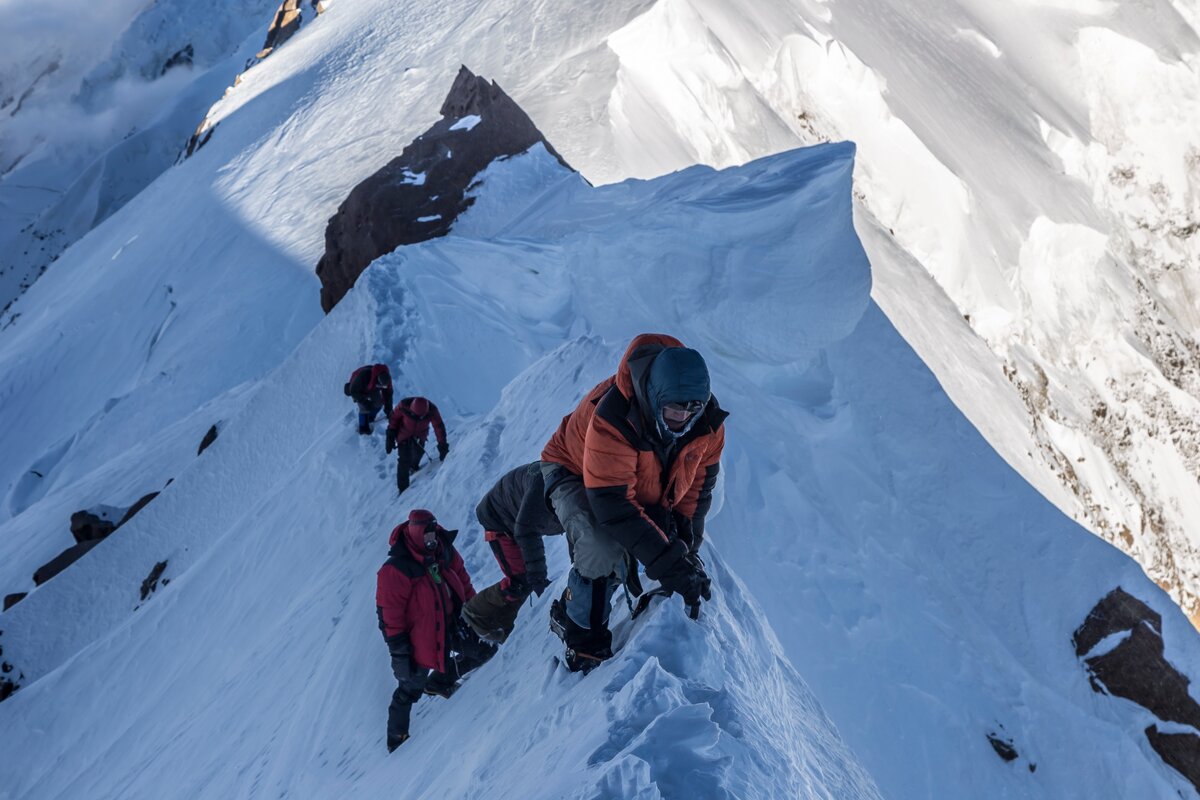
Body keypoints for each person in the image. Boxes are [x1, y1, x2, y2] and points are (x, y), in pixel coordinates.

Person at [540, 333, 726, 672]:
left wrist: (687, 551)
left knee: (661, 537)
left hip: (628, 476)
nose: (683, 423)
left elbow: (697, 490)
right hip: (572, 470)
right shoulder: (615, 415)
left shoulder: (705, 423)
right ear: (654, 398)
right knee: (602, 545)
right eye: (672, 413)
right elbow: (612, 505)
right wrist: (668, 565)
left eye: (691, 413)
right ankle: (581, 635)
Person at [376, 509, 494, 751]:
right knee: (408, 689)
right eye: (427, 538)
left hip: (454, 623)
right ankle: (396, 741)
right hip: (422, 640)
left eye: (433, 536)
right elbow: (390, 615)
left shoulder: (444, 549)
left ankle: (440, 682)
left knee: (482, 652)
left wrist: (474, 612)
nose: (431, 542)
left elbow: (463, 580)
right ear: (416, 534)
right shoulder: (396, 569)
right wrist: (399, 652)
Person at [462, 462, 563, 643]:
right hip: (499, 519)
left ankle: (507, 625)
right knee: (521, 580)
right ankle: (475, 612)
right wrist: (538, 578)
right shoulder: (544, 487)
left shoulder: (565, 484)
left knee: (526, 580)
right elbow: (527, 530)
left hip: (515, 512)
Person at [385, 396, 449, 495]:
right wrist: (390, 436)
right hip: (403, 434)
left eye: (421, 417)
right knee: (403, 460)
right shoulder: (403, 405)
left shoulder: (432, 410)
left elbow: (438, 427)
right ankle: (403, 488)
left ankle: (413, 467)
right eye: (415, 415)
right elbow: (393, 419)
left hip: (420, 435)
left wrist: (442, 446)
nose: (418, 418)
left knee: (418, 453)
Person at [344, 363, 394, 434]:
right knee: (364, 408)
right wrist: (365, 402)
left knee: (378, 403)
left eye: (383, 386)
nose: (382, 387)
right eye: (381, 385)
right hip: (358, 389)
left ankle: (370, 418)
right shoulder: (364, 375)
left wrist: (389, 409)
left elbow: (388, 394)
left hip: (372, 387)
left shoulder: (387, 380)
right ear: (377, 378)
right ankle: (363, 427)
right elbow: (354, 391)